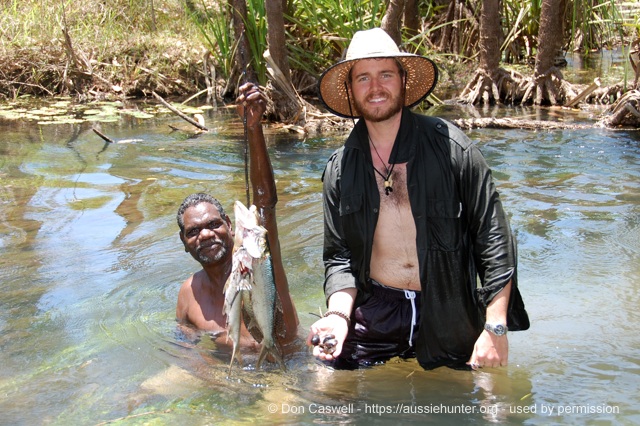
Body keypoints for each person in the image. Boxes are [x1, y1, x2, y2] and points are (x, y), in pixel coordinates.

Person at [307, 28, 529, 370]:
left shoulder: (453, 150)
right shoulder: (340, 170)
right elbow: (339, 258)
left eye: (385, 74)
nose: (375, 86)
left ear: (403, 80)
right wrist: (337, 316)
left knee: (486, 409)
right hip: (375, 309)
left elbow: (494, 238)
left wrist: (495, 326)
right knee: (324, 394)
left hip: (448, 306)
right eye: (363, 77)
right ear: (351, 90)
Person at [175, 82, 299, 350]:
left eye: (213, 224)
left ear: (230, 226)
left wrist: (254, 128)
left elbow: (265, 200)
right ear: (184, 242)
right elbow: (185, 351)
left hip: (287, 372)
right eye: (193, 231)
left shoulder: (260, 260)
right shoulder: (188, 293)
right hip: (229, 378)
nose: (205, 234)